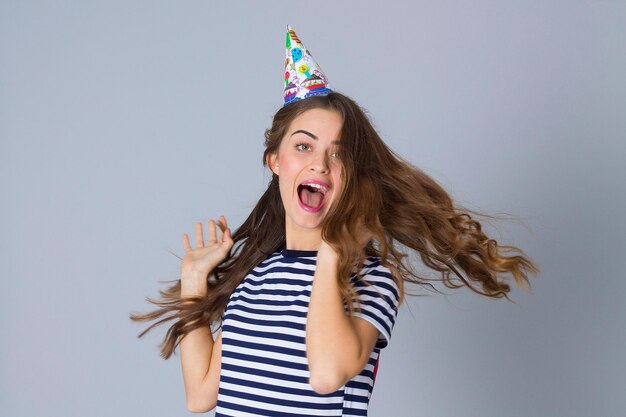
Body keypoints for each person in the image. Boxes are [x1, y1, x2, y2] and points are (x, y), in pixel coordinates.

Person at [130, 25, 539, 416]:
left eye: (339, 153)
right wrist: (193, 280)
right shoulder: (253, 276)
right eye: (304, 146)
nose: (321, 164)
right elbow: (201, 395)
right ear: (275, 161)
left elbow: (327, 375)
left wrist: (331, 254)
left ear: (354, 174)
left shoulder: (373, 278)